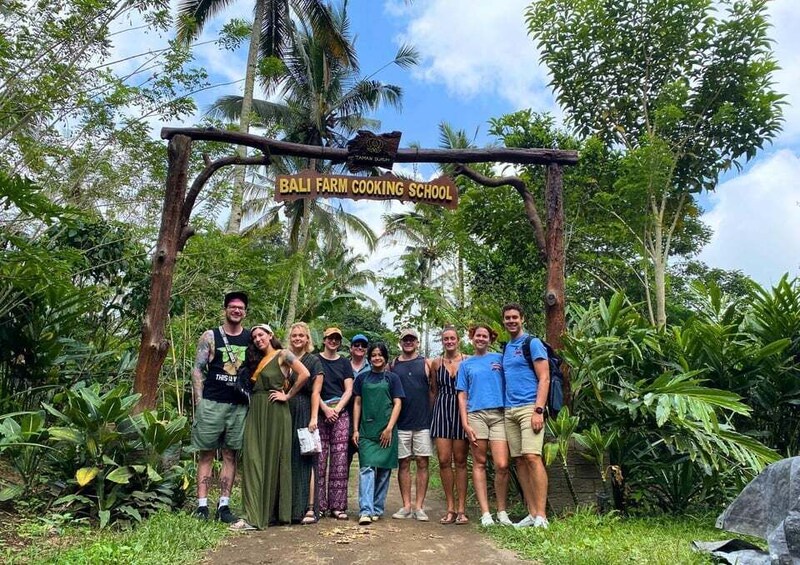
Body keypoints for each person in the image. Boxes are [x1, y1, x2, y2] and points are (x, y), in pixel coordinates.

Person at [230, 324, 310, 530]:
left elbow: (305, 374)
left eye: (261, 335)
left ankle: (263, 516)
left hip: (276, 411)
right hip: (256, 411)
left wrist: (288, 395)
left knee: (274, 460)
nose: (258, 339)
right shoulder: (255, 361)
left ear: (270, 335)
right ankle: (253, 513)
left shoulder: (283, 355)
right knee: (253, 459)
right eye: (255, 336)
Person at [190, 291, 251, 523]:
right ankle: (202, 505)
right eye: (233, 307)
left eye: (241, 308)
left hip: (238, 406)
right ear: (225, 309)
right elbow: (198, 368)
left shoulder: (249, 338)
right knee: (206, 454)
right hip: (212, 402)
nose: (237, 310)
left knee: (230, 454)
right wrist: (200, 401)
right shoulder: (211, 336)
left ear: (245, 312)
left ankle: (223, 505)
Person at [456, 324, 513, 527]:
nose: (481, 338)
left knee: (502, 465)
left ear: (491, 339)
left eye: (485, 336)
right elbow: (462, 395)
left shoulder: (499, 359)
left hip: (499, 413)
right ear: (472, 338)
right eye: (477, 335)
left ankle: (502, 511)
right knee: (479, 463)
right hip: (476, 415)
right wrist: (465, 422)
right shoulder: (465, 364)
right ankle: (486, 513)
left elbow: (512, 378)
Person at [500, 303, 550, 529]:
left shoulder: (533, 343)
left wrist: (539, 409)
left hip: (530, 407)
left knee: (532, 457)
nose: (511, 321)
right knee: (519, 460)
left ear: (522, 319)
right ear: (504, 321)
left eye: (514, 317)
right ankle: (531, 512)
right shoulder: (507, 348)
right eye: (507, 318)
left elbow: (545, 377)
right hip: (510, 410)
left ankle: (542, 515)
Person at [352, 342, 404, 526]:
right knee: (366, 468)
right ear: (369, 357)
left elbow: (398, 403)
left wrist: (389, 428)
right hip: (367, 430)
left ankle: (377, 508)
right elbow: (357, 403)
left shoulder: (392, 378)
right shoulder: (361, 378)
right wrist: (356, 429)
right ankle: (365, 510)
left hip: (387, 430)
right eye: (373, 355)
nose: (376, 358)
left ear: (385, 357)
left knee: (383, 470)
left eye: (380, 355)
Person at [391, 328, 433, 521]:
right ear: (400, 342)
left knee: (423, 462)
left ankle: (419, 507)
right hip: (401, 422)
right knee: (404, 463)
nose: (408, 342)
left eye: (412, 339)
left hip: (422, 422)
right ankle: (406, 505)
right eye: (405, 339)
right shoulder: (393, 365)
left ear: (417, 342)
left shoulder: (426, 363)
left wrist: (430, 415)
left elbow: (433, 391)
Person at [429, 325, 470, 525]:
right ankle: (450, 508)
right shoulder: (436, 363)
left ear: (458, 340)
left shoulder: (467, 360)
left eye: (452, 338)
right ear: (442, 341)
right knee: (444, 460)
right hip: (442, 409)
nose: (449, 342)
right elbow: (433, 391)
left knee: (461, 460)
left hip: (461, 409)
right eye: (446, 339)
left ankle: (462, 509)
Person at [287, 322, 325, 525]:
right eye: (294, 335)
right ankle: (290, 508)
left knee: (308, 459)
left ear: (308, 338)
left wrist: (313, 417)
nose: (297, 338)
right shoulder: (287, 358)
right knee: (289, 458)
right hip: (287, 411)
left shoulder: (314, 361)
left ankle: (309, 508)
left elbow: (316, 392)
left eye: (301, 335)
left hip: (304, 410)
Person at [317, 327, 354, 520]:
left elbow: (349, 389)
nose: (333, 341)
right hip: (320, 412)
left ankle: (337, 506)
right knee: (320, 460)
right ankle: (320, 505)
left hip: (340, 412)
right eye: (330, 338)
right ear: (324, 340)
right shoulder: (316, 360)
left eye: (336, 339)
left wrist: (337, 409)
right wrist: (325, 409)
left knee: (340, 461)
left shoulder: (344, 363)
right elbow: (312, 389)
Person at [348, 333, 371, 467]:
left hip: (367, 417)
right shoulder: (344, 365)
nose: (360, 347)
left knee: (367, 461)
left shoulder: (373, 367)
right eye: (356, 345)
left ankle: (368, 489)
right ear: (351, 348)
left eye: (363, 345)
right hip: (346, 415)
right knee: (344, 459)